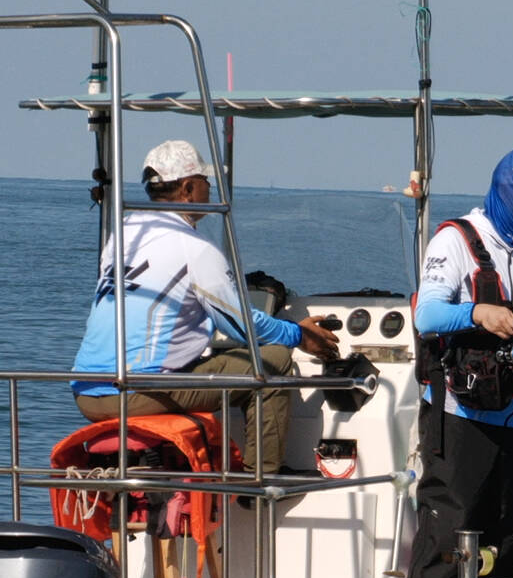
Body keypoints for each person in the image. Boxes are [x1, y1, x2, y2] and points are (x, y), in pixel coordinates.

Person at [70, 139, 341, 475]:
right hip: (133, 391)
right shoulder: (194, 247)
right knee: (273, 361)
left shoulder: (123, 234)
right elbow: (240, 326)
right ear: (187, 188)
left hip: (85, 392)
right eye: (206, 183)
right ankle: (262, 481)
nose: (211, 191)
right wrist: (298, 334)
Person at [406, 149, 513, 578]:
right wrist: (478, 312)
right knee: (448, 535)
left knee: (507, 538)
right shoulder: (454, 241)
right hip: (458, 417)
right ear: (508, 193)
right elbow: (427, 316)